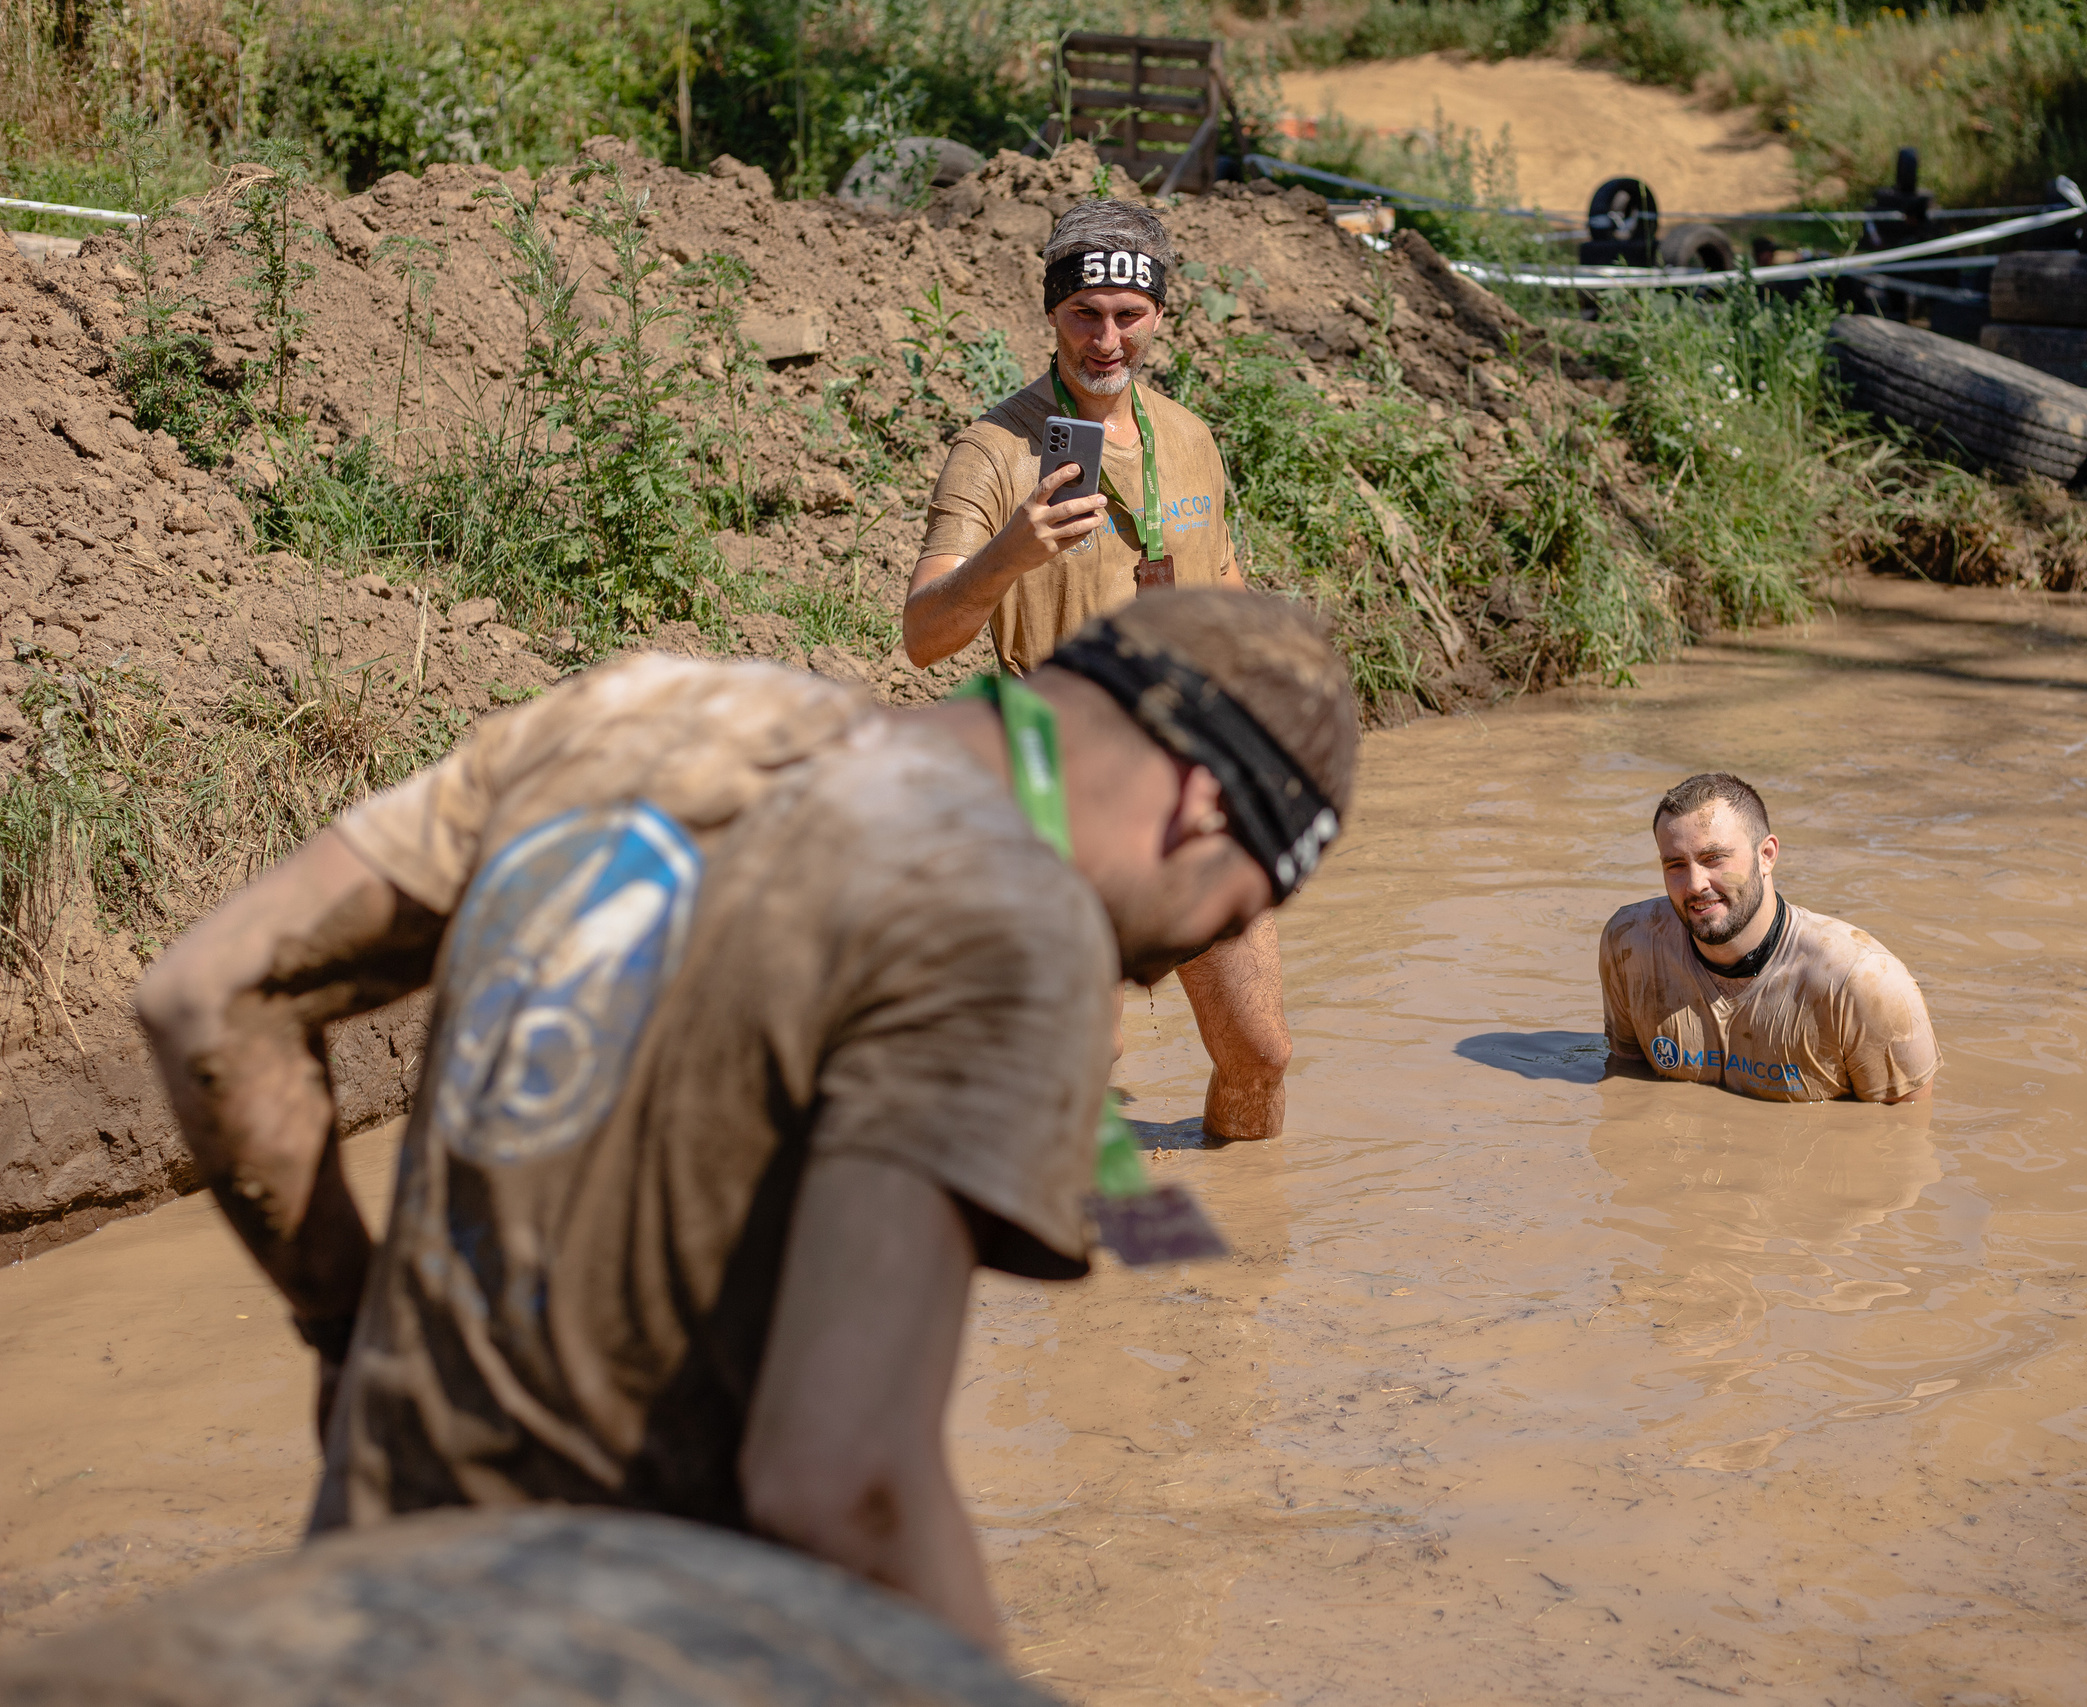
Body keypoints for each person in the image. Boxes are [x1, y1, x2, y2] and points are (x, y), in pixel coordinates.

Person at [133, 589, 1357, 1654]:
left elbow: (209, 1000)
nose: (1160, 971)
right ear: (1202, 805)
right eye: (1221, 918)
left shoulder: (639, 711)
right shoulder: (1011, 914)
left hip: (366, 1608)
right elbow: (844, 1488)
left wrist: (351, 1325)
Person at [900, 198, 1294, 1143]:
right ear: (1051, 313)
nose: (1105, 337)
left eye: (1127, 314)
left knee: (1260, 1058)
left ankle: (1246, 1261)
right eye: (1084, 312)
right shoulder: (994, 452)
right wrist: (1010, 555)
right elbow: (922, 632)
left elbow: (1224, 590)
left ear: (1159, 315)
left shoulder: (1190, 439)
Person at [1600, 771, 1936, 1103]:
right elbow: (1627, 1087)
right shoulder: (1632, 944)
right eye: (1675, 864)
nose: (1695, 884)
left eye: (1713, 858)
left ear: (1767, 856)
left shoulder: (1863, 982)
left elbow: (1902, 1138)